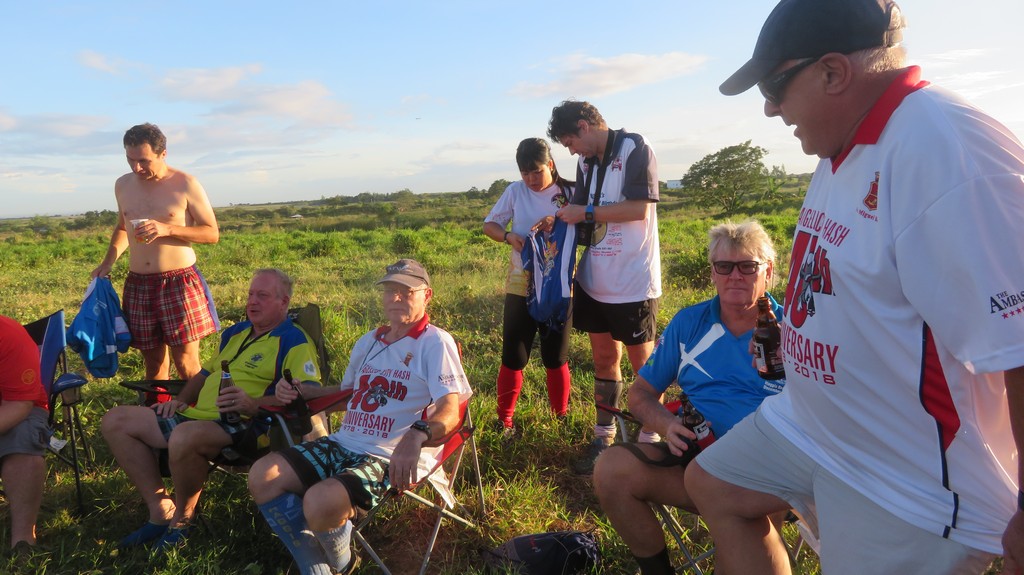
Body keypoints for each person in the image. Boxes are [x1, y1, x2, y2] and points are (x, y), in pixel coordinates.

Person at [684, 1, 1024, 574]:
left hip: (908, 477)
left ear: (834, 72)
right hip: (814, 424)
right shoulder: (843, 142)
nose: (770, 107)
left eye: (775, 86)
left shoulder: (949, 155)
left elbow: (1018, 344)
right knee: (714, 484)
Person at [248, 259, 472, 575]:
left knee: (318, 502)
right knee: (262, 475)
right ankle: (317, 563)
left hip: (390, 455)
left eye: (407, 291)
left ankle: (341, 562)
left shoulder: (435, 342)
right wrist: (304, 392)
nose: (396, 298)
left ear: (427, 295)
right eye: (390, 290)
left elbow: (450, 411)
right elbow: (348, 395)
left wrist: (417, 434)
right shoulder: (369, 341)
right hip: (344, 442)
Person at [594, 221, 785, 575]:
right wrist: (668, 425)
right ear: (712, 273)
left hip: (764, 473)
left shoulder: (792, 331)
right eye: (724, 266)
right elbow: (640, 395)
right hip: (696, 461)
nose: (735, 276)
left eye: (748, 266)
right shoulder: (689, 323)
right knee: (611, 470)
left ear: (768, 271)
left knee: (744, 538)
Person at [101, 268, 320, 552]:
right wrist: (181, 400)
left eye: (262, 296)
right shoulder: (236, 333)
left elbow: (305, 395)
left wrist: (253, 404)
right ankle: (160, 510)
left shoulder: (294, 341)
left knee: (184, 436)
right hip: (194, 416)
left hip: (246, 424)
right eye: (251, 294)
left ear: (283, 302)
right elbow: (204, 375)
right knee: (115, 420)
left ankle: (182, 520)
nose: (252, 301)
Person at [547, 100, 662, 474]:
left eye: (570, 142)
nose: (572, 151)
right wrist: (557, 221)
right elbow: (580, 212)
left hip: (632, 280)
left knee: (644, 365)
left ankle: (650, 440)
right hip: (594, 278)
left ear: (584, 126)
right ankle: (604, 437)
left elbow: (638, 208)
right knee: (603, 359)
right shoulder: (585, 163)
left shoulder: (634, 147)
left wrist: (585, 212)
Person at [91, 123, 220, 403]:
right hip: (138, 284)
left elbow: (211, 233)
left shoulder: (186, 184)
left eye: (144, 160)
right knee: (153, 366)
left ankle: (197, 415)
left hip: (179, 281)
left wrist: (167, 229)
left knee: (186, 363)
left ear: (163, 154)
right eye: (130, 159)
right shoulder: (123, 185)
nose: (136, 167)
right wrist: (108, 262)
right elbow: (123, 227)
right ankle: (157, 418)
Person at [483, 137, 574, 439]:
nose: (532, 180)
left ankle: (560, 418)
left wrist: (557, 219)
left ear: (551, 164)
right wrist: (508, 236)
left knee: (555, 356)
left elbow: (588, 225)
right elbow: (489, 226)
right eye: (525, 173)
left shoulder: (570, 192)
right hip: (521, 284)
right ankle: (504, 421)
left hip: (559, 286)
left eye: (537, 171)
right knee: (513, 354)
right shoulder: (515, 191)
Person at [0, 316, 49, 556]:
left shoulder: (8, 335)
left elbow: (19, 405)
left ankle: (23, 539)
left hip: (16, 406)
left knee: (23, 445)